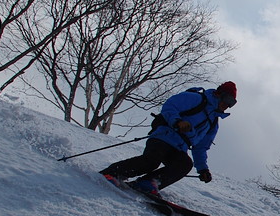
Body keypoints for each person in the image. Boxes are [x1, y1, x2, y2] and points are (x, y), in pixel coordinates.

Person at [101, 81, 237, 196]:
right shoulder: (197, 99)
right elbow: (170, 106)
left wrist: (203, 169)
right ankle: (112, 173)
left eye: (232, 103)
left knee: (184, 164)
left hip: (179, 147)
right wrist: (177, 122)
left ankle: (148, 183)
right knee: (152, 161)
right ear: (219, 94)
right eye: (228, 100)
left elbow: (200, 148)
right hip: (163, 136)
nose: (227, 105)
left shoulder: (212, 123)